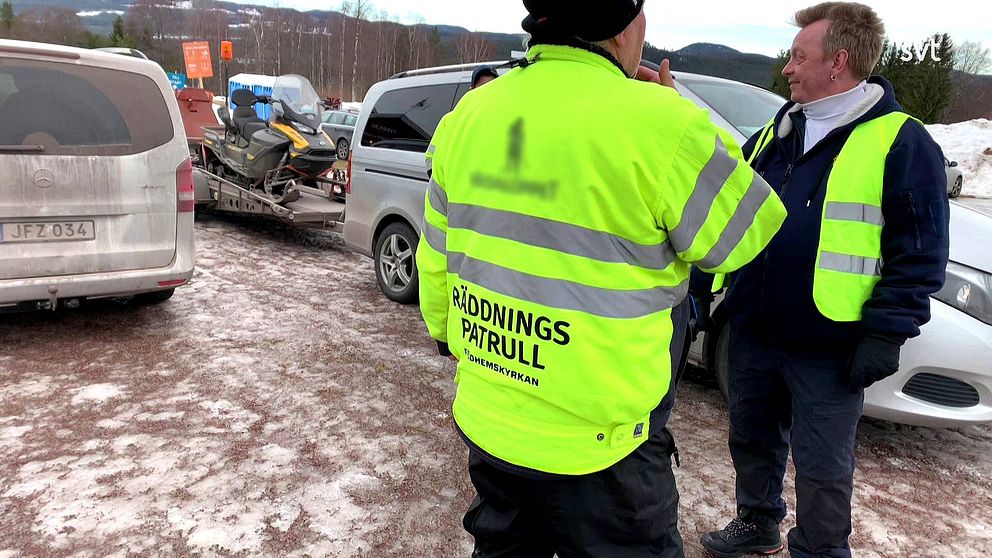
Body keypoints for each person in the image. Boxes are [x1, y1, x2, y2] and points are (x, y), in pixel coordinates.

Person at [415, 0, 787, 555]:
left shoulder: (467, 116)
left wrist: (450, 334)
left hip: (493, 421)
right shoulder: (663, 125)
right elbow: (743, 235)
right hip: (605, 447)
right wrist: (680, 117)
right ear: (620, 29)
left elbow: (438, 256)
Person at [698, 3, 949, 558]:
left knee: (823, 464)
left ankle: (819, 549)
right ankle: (757, 521)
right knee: (752, 439)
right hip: (755, 327)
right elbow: (724, 203)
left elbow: (921, 249)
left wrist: (887, 333)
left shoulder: (902, 142)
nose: (787, 68)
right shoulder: (777, 131)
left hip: (831, 344)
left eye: (797, 56)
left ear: (838, 61)